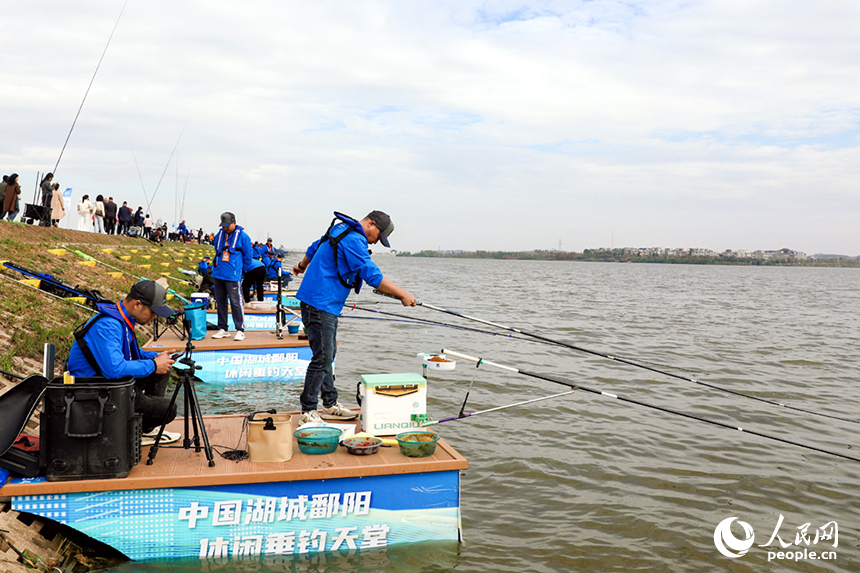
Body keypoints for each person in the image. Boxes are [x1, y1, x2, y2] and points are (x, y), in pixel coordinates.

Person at [291, 211, 416, 423]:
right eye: (379, 236)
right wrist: (403, 294)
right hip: (320, 303)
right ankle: (308, 410)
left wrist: (301, 266)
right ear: (371, 224)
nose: (376, 242)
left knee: (328, 356)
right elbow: (372, 275)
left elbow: (313, 248)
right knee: (322, 358)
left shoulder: (339, 228)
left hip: (322, 302)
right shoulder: (355, 239)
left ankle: (329, 404)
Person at [66, 280, 180, 442]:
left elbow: (130, 352)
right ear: (138, 304)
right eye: (153, 311)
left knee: (163, 368)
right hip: (95, 391)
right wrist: (154, 364)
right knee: (168, 409)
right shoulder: (108, 325)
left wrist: (157, 357)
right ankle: (134, 431)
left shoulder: (121, 318)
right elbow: (114, 369)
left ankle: (144, 429)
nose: (154, 317)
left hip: (110, 383)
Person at [211, 212, 253, 341]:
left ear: (234, 223)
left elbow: (248, 256)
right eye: (223, 225)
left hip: (233, 275)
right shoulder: (220, 234)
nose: (225, 228)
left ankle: (240, 329)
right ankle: (223, 328)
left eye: (228, 225)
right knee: (220, 301)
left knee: (236, 303)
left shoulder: (244, 237)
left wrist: (243, 271)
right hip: (219, 273)